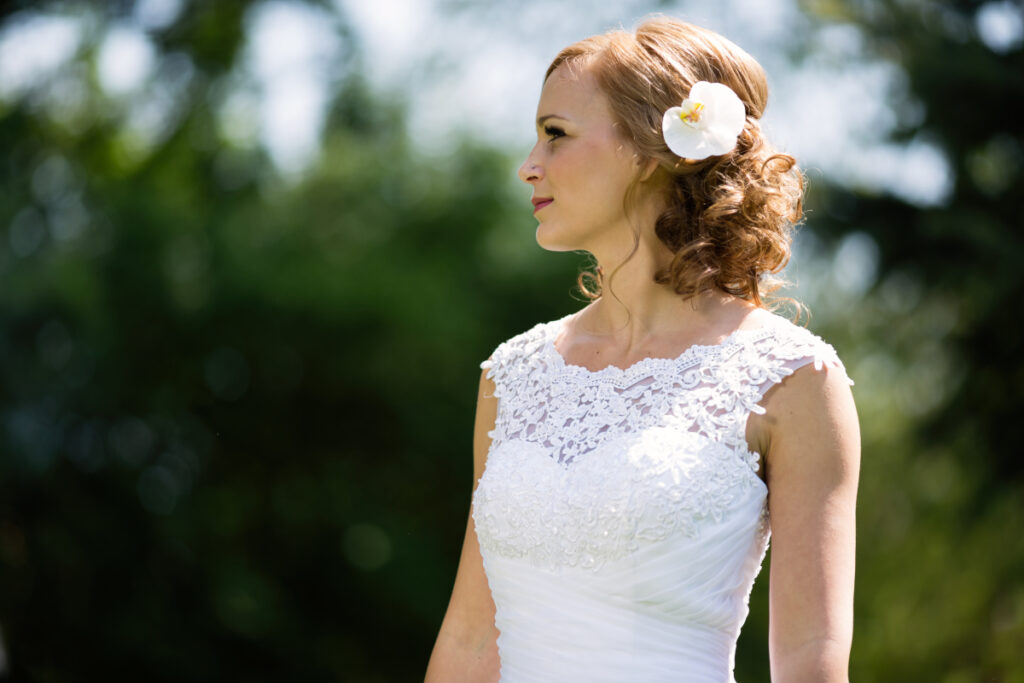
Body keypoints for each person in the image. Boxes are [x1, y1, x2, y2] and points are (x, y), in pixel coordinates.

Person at [426, 16, 859, 683]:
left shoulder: (793, 380)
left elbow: (808, 661)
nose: (528, 166)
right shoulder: (512, 375)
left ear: (656, 150)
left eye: (556, 135)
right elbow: (468, 638)